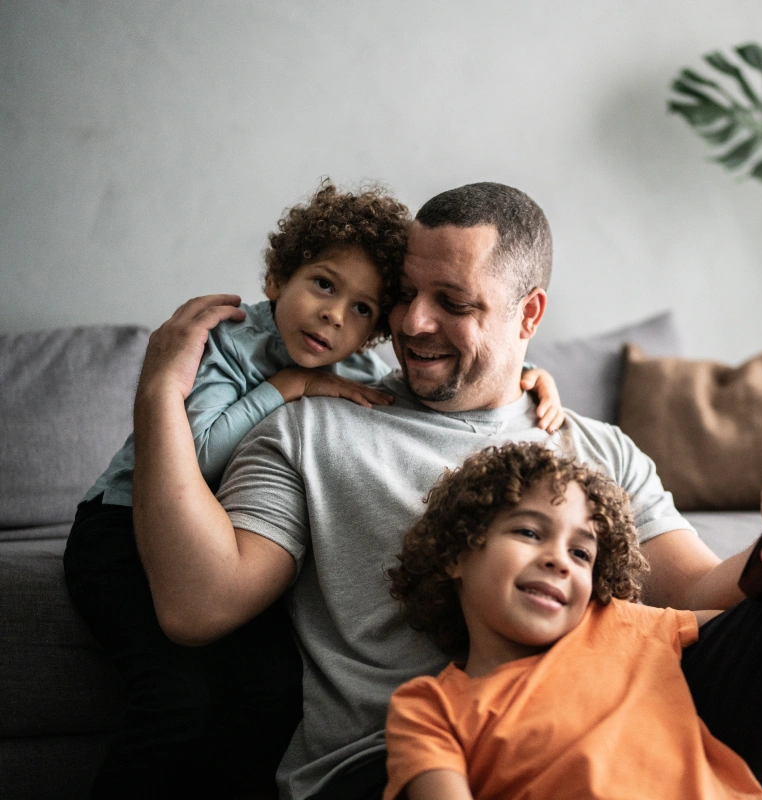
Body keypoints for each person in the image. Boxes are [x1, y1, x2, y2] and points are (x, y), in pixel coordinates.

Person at [130, 182, 762, 800]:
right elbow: (196, 606)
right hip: (406, 762)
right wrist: (159, 394)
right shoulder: (313, 427)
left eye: (453, 303)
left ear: (529, 314)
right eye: (406, 294)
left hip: (607, 733)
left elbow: (696, 594)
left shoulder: (592, 444)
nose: (412, 323)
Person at [62, 180, 565, 799]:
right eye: (324, 285)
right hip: (118, 526)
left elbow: (468, 374)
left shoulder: (350, 367)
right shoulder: (231, 344)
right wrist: (286, 387)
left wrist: (530, 375)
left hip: (211, 530)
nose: (335, 315)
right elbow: (187, 457)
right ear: (278, 276)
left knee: (273, 688)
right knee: (175, 698)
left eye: (364, 309)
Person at [383, 441, 762, 800]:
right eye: (529, 532)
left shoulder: (620, 621)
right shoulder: (429, 709)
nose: (559, 560)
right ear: (455, 554)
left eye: (581, 553)